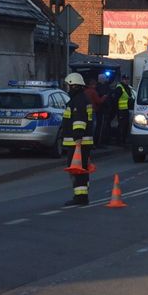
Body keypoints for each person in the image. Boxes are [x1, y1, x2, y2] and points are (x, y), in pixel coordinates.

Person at [62, 73, 94, 206]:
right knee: (82, 170)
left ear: (74, 85)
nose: (68, 88)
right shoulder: (82, 99)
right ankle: (82, 195)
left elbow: (79, 121)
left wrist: (77, 138)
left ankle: (80, 197)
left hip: (78, 142)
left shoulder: (78, 101)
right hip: (81, 142)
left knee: (77, 170)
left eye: (69, 85)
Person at [114, 74, 136, 146]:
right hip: (121, 110)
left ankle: (124, 140)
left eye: (127, 79)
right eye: (125, 79)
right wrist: (117, 111)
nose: (126, 80)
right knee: (121, 126)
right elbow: (116, 100)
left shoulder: (128, 87)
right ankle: (119, 141)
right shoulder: (119, 88)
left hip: (126, 110)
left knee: (126, 126)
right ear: (122, 80)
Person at [84, 78, 107, 147]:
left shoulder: (85, 91)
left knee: (87, 126)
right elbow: (98, 101)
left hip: (85, 111)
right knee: (93, 126)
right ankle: (92, 143)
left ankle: (86, 142)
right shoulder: (93, 92)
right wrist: (104, 97)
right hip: (92, 111)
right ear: (93, 85)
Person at [95, 74, 112, 146]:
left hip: (101, 110)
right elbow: (105, 98)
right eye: (104, 79)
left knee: (101, 126)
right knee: (101, 126)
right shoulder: (102, 87)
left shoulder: (97, 87)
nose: (105, 80)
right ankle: (100, 142)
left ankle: (101, 141)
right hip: (102, 110)